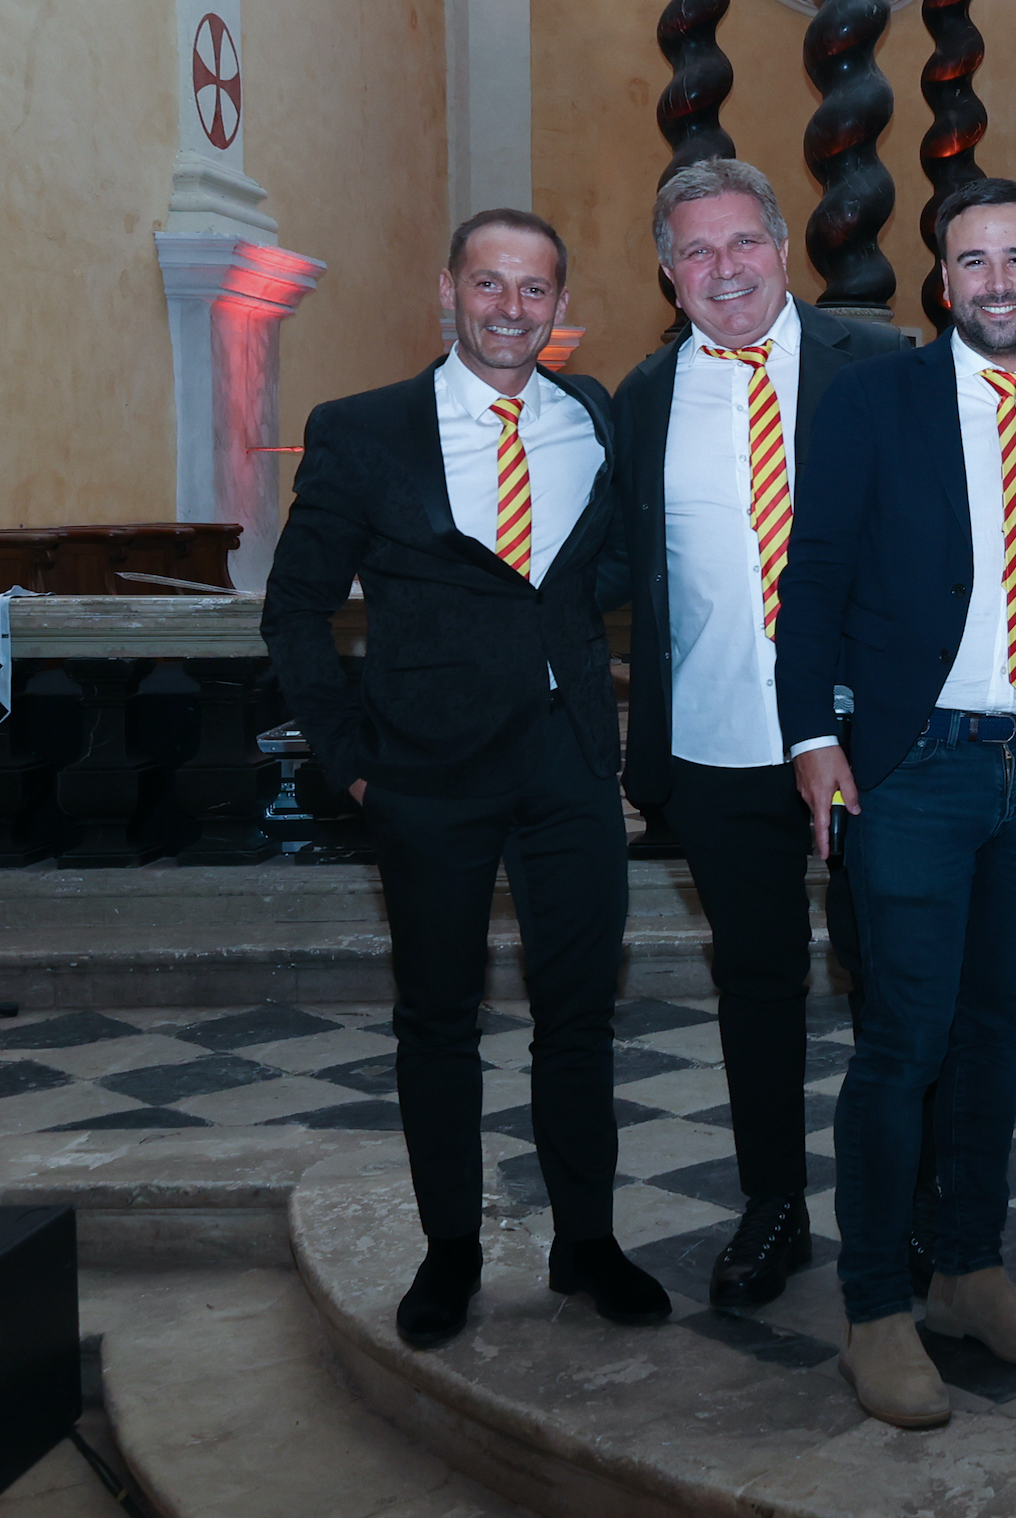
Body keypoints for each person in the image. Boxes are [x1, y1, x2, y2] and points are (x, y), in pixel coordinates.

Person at [263, 209, 669, 1350]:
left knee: (579, 1016)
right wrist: (351, 762)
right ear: (448, 290)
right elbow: (293, 610)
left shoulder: (590, 414)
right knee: (438, 1021)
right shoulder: (362, 429)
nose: (510, 308)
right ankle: (450, 1252)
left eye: (533, 289)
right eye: (488, 284)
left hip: (570, 762)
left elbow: (602, 566)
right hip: (426, 772)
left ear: (559, 304)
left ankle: (586, 1240)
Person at [777, 177, 1016, 1429]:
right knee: (903, 1042)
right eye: (973, 260)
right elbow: (812, 575)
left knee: (994, 1031)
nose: (997, 280)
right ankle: (876, 1308)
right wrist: (813, 737)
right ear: (943, 282)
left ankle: (968, 1268)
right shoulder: (873, 400)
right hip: (914, 768)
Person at [611, 159, 905, 1312]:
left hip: (864, 739)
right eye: (696, 250)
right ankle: (774, 1202)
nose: (723, 268)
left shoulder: (877, 365)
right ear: (668, 272)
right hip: (715, 741)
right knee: (756, 983)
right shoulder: (640, 397)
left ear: (783, 249)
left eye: (742, 242)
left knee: (889, 975)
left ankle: (905, 1203)